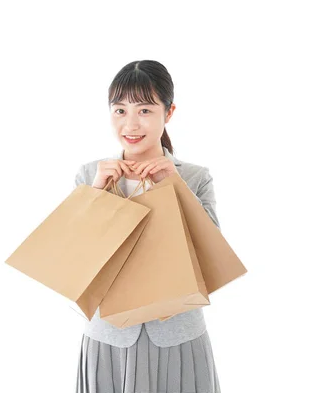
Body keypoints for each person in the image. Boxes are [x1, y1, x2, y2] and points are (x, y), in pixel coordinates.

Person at [74, 60, 222, 393]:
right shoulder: (89, 175)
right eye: (120, 110)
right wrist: (95, 194)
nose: (130, 123)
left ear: (168, 113)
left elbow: (212, 253)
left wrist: (175, 185)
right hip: (108, 338)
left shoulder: (195, 176)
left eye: (144, 110)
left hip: (177, 336)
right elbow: (73, 260)